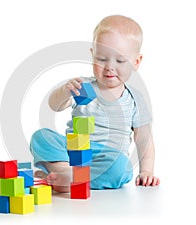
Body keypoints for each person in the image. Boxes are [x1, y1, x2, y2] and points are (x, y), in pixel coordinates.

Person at [30, 14, 160, 193]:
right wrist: (64, 91)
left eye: (120, 61)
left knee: (122, 168)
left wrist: (146, 171)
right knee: (41, 137)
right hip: (73, 151)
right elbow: (55, 106)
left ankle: (68, 177)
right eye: (102, 59)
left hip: (107, 157)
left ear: (136, 62)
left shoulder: (134, 99)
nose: (110, 67)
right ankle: (63, 171)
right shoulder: (83, 87)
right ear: (92, 55)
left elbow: (144, 138)